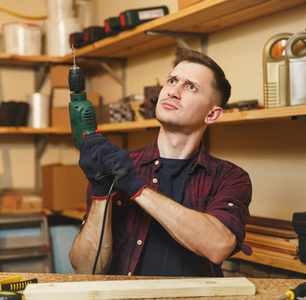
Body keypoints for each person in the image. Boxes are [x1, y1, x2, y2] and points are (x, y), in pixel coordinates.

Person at [69, 47, 252, 277]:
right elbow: (87, 269)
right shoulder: (117, 166)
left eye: (191, 87)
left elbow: (218, 246)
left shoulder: (229, 177)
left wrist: (136, 188)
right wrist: (101, 192)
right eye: (172, 80)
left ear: (212, 115)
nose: (173, 92)